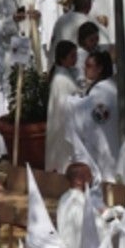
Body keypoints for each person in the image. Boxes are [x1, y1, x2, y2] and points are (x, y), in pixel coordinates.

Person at [69, 50, 120, 179]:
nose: (85, 69)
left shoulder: (101, 91)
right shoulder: (109, 86)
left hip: (104, 142)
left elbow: (90, 115)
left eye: (89, 66)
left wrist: (70, 103)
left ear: (100, 69)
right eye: (85, 65)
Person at [46, 40, 81, 172]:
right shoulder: (61, 79)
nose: (75, 59)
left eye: (76, 55)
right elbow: (63, 105)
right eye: (72, 56)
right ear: (62, 58)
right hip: (63, 125)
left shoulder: (67, 74)